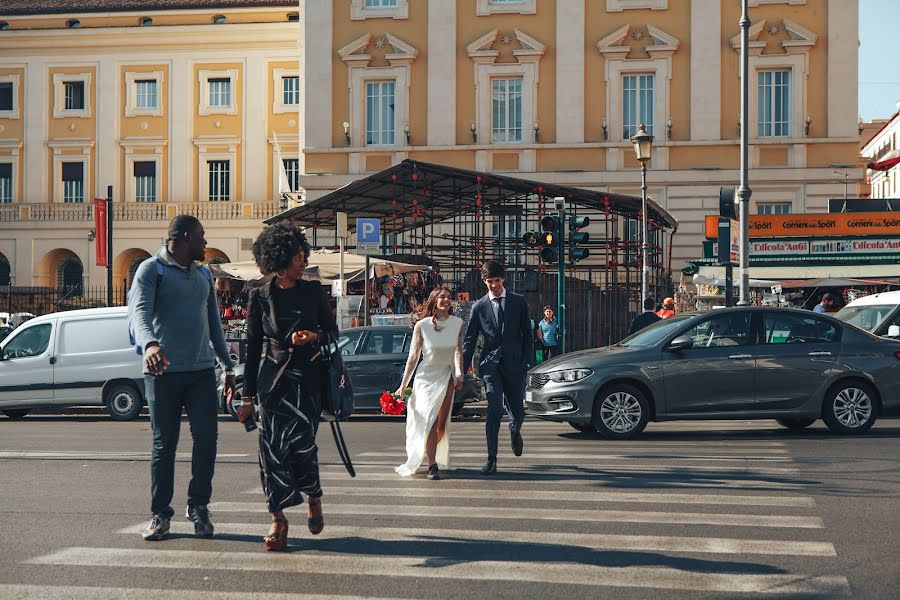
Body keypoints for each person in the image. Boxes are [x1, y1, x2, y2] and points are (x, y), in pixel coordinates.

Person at [130, 215, 236, 542]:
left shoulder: (203, 274)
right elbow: (139, 314)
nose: (206, 243)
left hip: (202, 372)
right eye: (202, 237)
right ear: (187, 237)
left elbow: (214, 326)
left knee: (207, 439)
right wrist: (149, 344)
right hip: (162, 373)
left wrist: (227, 367)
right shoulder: (152, 270)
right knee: (165, 446)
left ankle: (199, 506)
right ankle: (160, 514)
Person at [239, 221, 339, 551]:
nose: (303, 262)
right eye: (298, 257)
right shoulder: (260, 296)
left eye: (303, 255)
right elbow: (252, 349)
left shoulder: (313, 291)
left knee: (302, 450)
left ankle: (314, 497)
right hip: (273, 386)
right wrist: (247, 396)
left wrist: (313, 337)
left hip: (306, 385)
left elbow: (333, 335)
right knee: (270, 454)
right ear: (280, 260)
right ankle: (277, 519)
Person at [462, 260, 533, 475]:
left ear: (503, 280)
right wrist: (461, 370)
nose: (494, 285)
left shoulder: (518, 302)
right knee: (493, 409)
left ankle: (514, 428)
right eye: (489, 282)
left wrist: (528, 361)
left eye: (497, 281)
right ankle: (491, 459)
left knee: (518, 411)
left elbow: (527, 334)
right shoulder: (479, 307)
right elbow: (470, 340)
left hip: (515, 364)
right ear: (484, 282)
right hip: (490, 365)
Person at [394, 286, 465, 481]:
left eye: (448, 297)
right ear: (434, 301)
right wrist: (403, 385)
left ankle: (429, 450)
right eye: (442, 296)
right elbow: (413, 357)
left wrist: (459, 374)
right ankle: (432, 464)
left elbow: (458, 351)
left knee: (441, 425)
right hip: (426, 378)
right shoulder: (422, 326)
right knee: (429, 421)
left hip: (446, 376)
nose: (446, 300)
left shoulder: (458, 323)